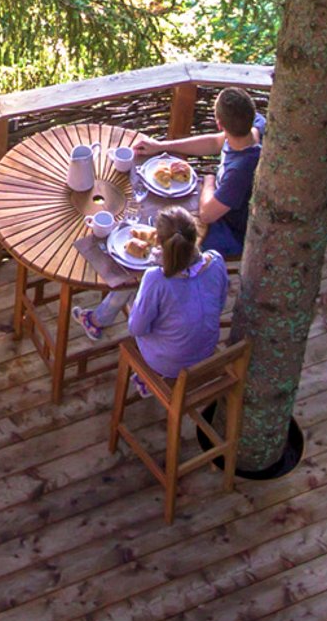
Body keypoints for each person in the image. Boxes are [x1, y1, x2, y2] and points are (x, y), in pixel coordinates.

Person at [74, 208, 226, 393]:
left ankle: (98, 323)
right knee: (151, 297)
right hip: (205, 351)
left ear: (160, 244)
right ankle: (98, 319)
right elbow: (220, 304)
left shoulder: (156, 278)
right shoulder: (216, 260)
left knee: (131, 284)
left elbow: (135, 329)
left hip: (167, 363)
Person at [132, 86, 265, 260]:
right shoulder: (253, 126)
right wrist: (161, 146)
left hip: (230, 232)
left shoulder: (241, 170)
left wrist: (208, 180)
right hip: (216, 205)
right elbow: (215, 142)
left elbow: (207, 215)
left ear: (219, 123)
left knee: (166, 238)